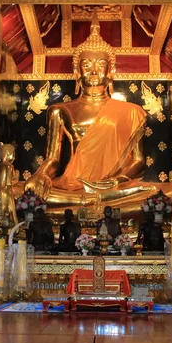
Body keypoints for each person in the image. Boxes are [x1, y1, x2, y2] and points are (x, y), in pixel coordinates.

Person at [24, 13, 155, 211]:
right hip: (73, 185)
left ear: (111, 71)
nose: (94, 71)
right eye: (86, 65)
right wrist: (40, 175)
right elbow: (53, 159)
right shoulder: (60, 110)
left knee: (157, 191)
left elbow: (138, 160)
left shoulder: (132, 111)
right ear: (77, 71)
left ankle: (89, 203)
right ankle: (90, 202)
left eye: (101, 65)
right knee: (24, 191)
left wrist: (116, 181)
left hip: (115, 188)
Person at [0, 143, 19, 226]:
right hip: (6, 191)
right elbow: (8, 183)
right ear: (8, 153)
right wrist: (16, 178)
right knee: (7, 213)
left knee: (0, 214)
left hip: (0, 191)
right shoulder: (9, 166)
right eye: (13, 153)